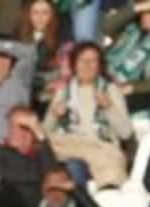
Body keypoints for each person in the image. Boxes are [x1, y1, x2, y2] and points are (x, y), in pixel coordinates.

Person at [43, 42, 134, 188]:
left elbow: (125, 133)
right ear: (74, 64)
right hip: (69, 144)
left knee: (105, 159)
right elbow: (44, 133)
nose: (88, 66)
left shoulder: (110, 90)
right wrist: (54, 115)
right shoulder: (64, 91)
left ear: (100, 65)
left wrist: (109, 107)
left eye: (93, 61)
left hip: (99, 146)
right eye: (83, 61)